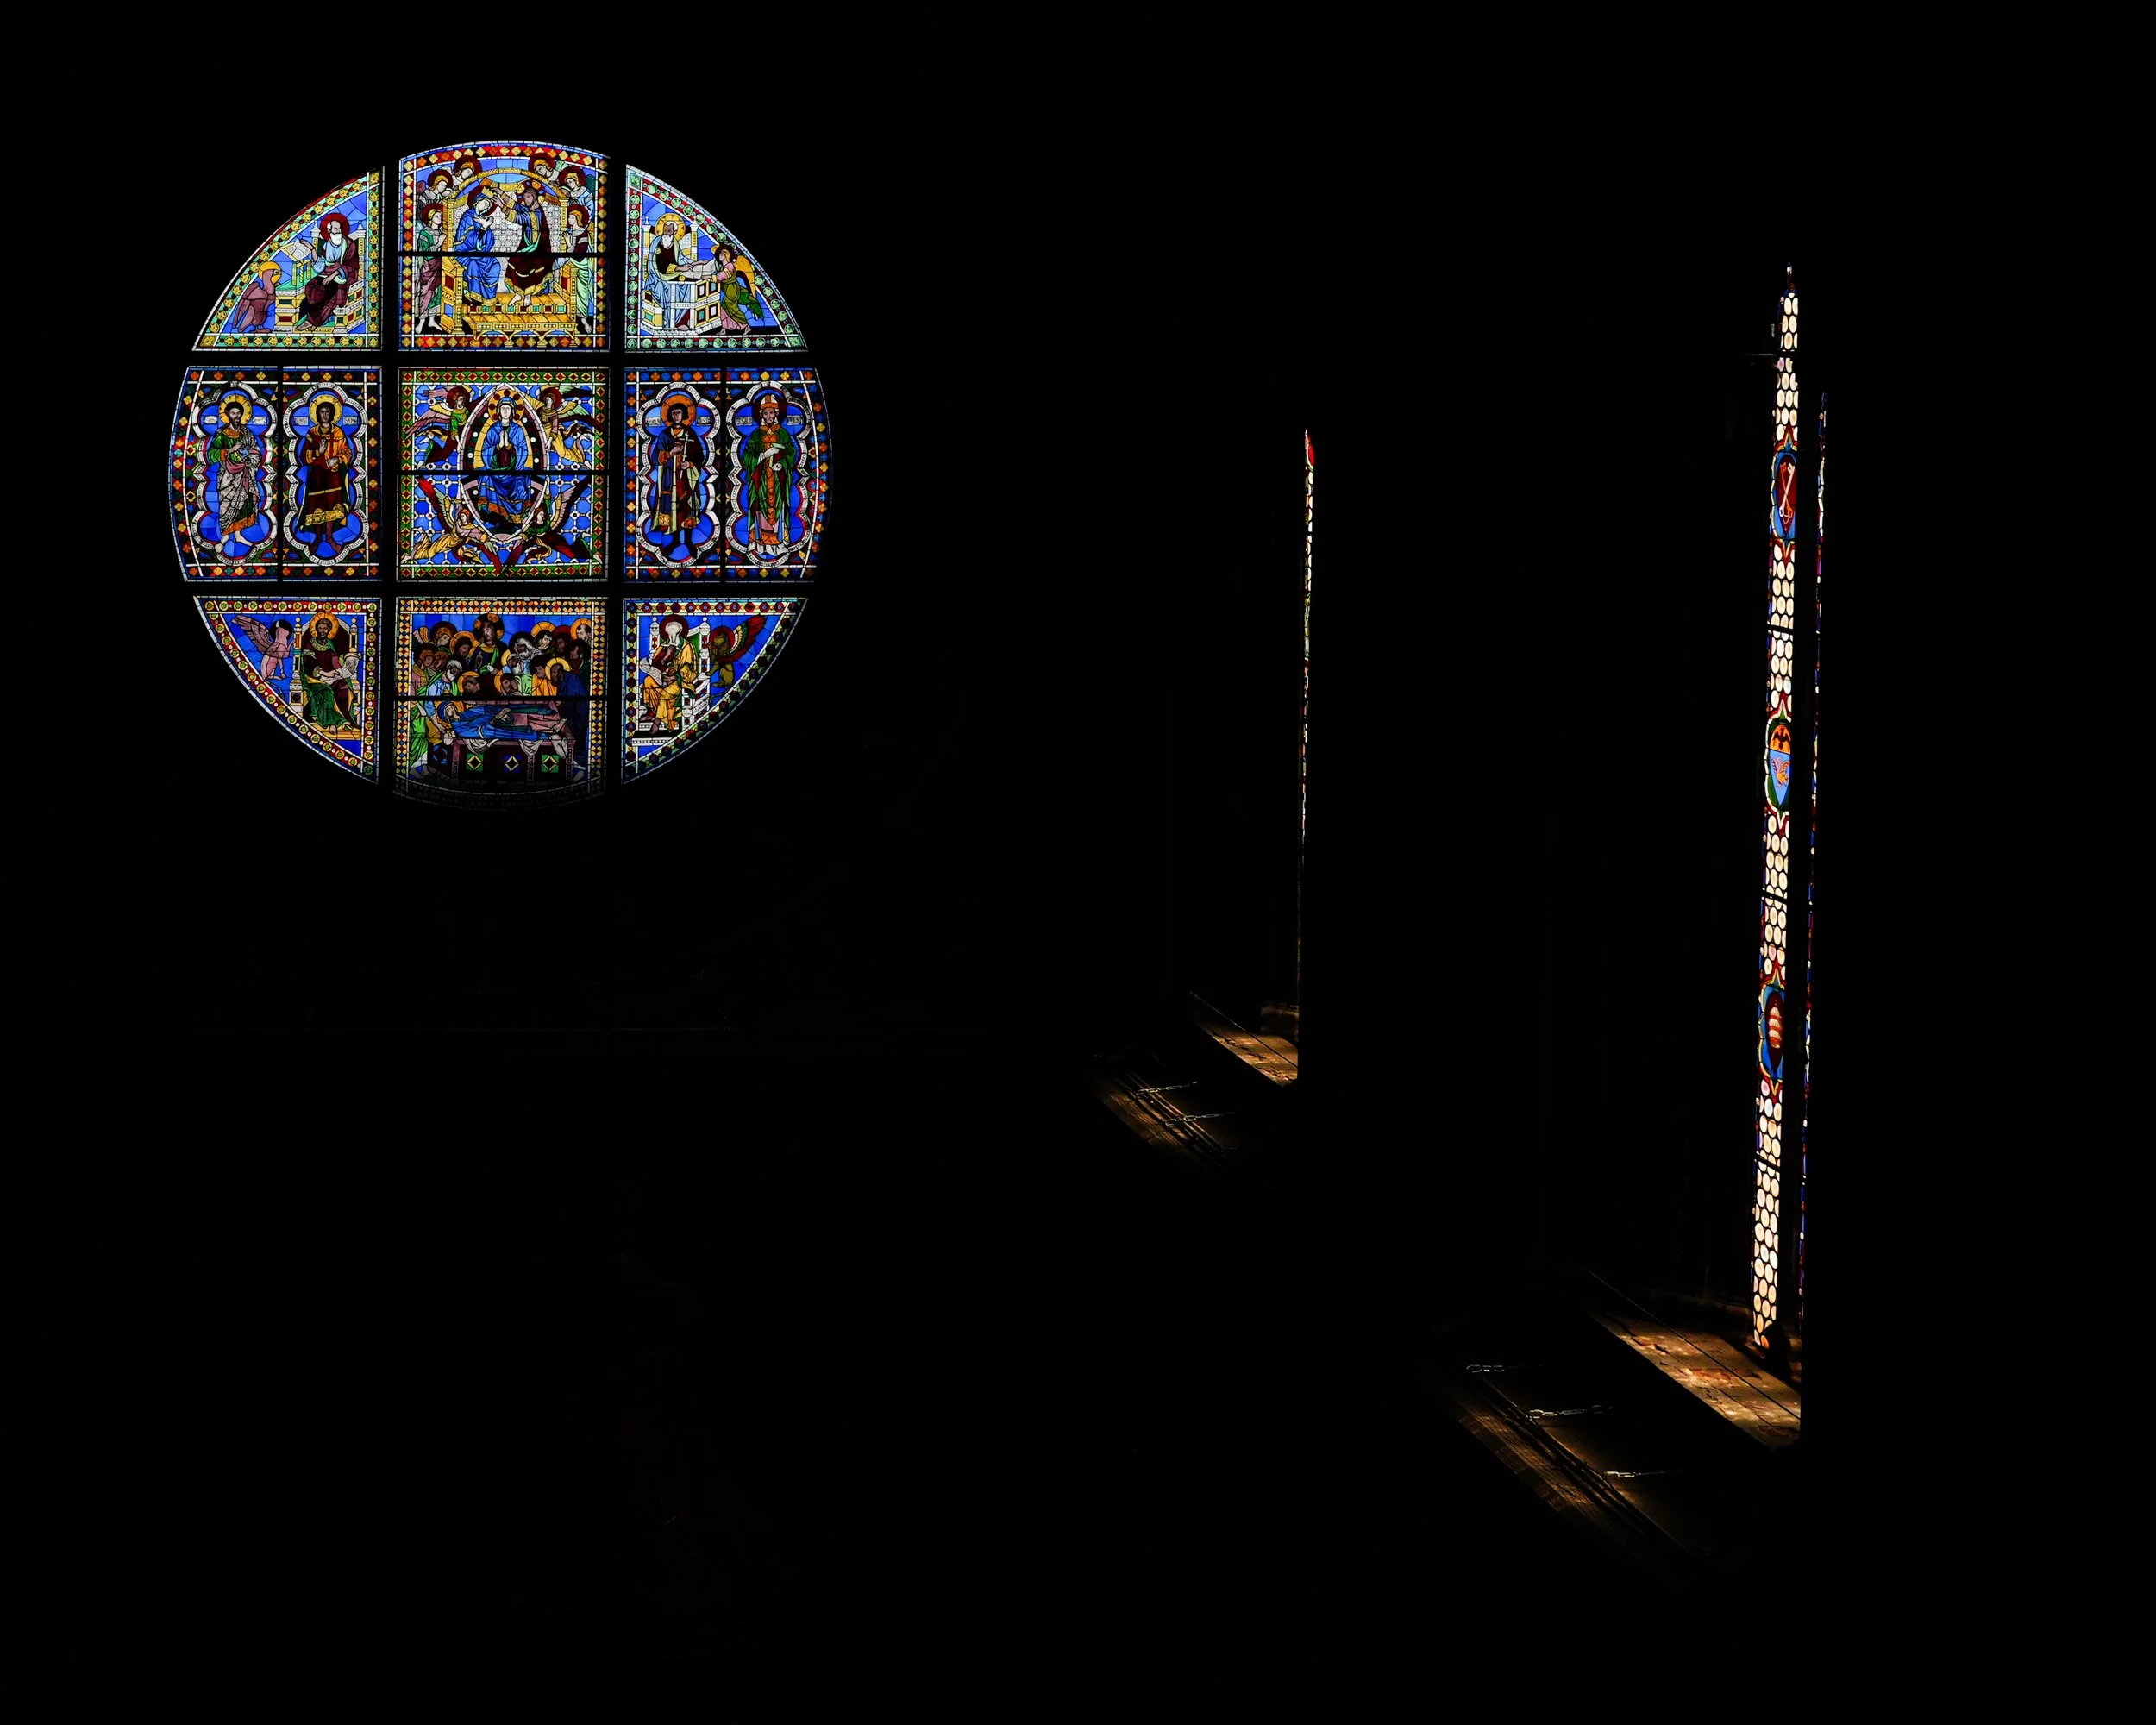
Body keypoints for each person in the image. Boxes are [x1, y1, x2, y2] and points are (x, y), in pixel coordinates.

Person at [202, 394, 266, 555]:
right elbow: (211, 454)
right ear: (227, 415)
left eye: (238, 413)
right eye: (233, 413)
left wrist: (251, 458)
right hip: (228, 476)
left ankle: (238, 535)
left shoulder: (247, 433)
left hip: (245, 473)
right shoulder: (222, 433)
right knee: (227, 505)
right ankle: (224, 536)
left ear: (242, 415)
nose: (236, 416)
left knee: (244, 504)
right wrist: (230, 450)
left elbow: (255, 449)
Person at [293, 395, 354, 560]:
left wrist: (338, 459)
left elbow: (347, 452)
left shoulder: (338, 432)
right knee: (317, 507)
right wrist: (318, 453)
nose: (325, 415)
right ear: (317, 414)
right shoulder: (312, 433)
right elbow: (304, 456)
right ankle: (318, 538)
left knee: (332, 507)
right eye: (322, 412)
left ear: (332, 413)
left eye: (327, 411)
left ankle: (330, 537)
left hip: (334, 476)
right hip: (317, 478)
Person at [742, 392, 800, 552]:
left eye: (771, 413)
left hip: (778, 479)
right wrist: (763, 455)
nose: (769, 416)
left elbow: (791, 452)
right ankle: (760, 543)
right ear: (761, 414)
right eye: (766, 413)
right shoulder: (756, 434)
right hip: (760, 479)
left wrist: (781, 464)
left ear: (776, 414)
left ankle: (779, 541)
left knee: (779, 507)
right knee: (759, 507)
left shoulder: (783, 433)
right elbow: (747, 454)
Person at [648, 396, 706, 555]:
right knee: (671, 508)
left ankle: (688, 541)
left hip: (687, 479)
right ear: (670, 416)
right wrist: (670, 453)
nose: (676, 416)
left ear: (684, 414)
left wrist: (690, 464)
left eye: (679, 413)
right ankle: (674, 540)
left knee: (687, 507)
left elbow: (700, 456)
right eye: (673, 414)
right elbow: (655, 457)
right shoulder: (665, 434)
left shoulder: (690, 433)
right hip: (669, 479)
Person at [297, 211, 360, 329]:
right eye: (335, 229)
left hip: (342, 276)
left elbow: (351, 265)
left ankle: (313, 321)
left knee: (327, 291)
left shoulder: (350, 245)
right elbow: (322, 264)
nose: (339, 231)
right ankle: (317, 318)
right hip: (326, 273)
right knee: (310, 287)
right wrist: (312, 249)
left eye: (339, 228)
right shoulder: (327, 245)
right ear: (329, 231)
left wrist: (332, 276)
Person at [297, 614, 359, 732]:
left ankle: (346, 718)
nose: (322, 631)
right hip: (313, 677)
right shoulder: (310, 644)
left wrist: (347, 658)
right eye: (320, 628)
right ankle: (331, 723)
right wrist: (324, 673)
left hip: (330, 675)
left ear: (330, 630)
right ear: (316, 629)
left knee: (344, 686)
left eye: (325, 629)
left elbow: (335, 660)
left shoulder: (329, 643)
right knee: (326, 691)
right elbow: (308, 664)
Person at [454, 185, 500, 305]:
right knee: (473, 265)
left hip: (480, 254)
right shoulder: (467, 217)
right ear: (477, 201)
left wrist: (486, 227)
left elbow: (490, 240)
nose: (487, 207)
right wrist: (484, 227)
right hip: (464, 253)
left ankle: (488, 298)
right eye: (485, 203)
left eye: (488, 205)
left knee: (495, 264)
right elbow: (470, 241)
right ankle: (475, 297)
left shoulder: (481, 218)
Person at [412, 200, 448, 333]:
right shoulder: (424, 234)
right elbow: (426, 254)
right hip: (428, 269)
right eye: (437, 216)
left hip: (440, 267)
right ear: (431, 218)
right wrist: (439, 243)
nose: (440, 218)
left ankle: (432, 321)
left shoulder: (442, 232)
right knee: (426, 293)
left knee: (437, 294)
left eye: (441, 216)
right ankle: (421, 322)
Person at [562, 202, 596, 336]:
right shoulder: (569, 232)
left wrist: (568, 242)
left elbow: (580, 253)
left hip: (582, 266)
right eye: (569, 217)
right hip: (570, 265)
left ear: (577, 219)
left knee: (582, 293)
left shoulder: (583, 233)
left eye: (571, 217)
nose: (569, 219)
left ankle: (584, 319)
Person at [229, 260, 279, 333]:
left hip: (262, 314)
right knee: (257, 313)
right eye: (271, 272)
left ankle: (260, 327)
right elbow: (245, 301)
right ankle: (255, 328)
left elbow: (270, 292)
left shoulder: (271, 293)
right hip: (252, 313)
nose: (275, 273)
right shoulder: (256, 288)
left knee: (263, 313)